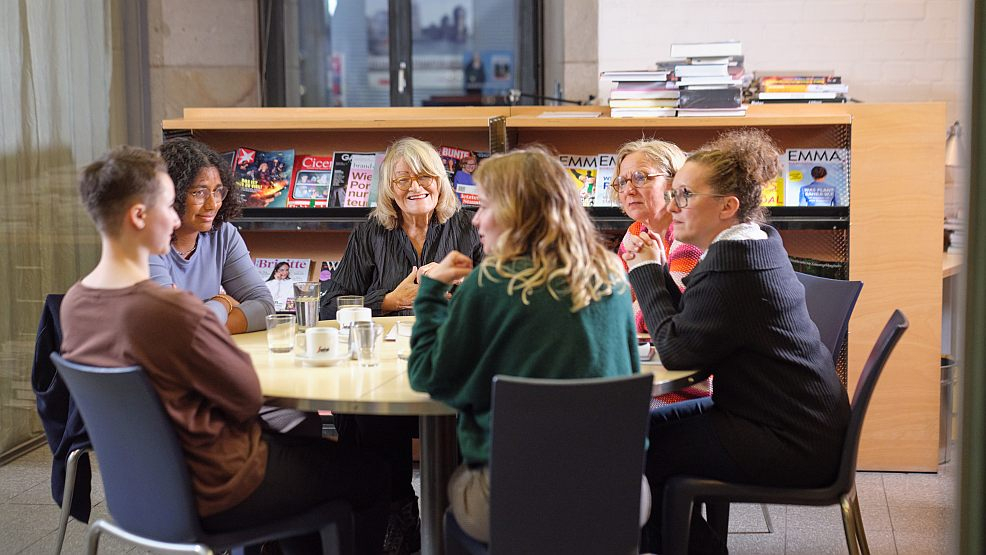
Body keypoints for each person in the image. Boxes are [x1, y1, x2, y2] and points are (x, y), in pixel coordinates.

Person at [59, 146, 389, 554]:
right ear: (139, 216)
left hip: (139, 494)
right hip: (222, 486)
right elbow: (247, 394)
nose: (177, 216)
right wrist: (220, 307)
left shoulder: (73, 304)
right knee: (377, 475)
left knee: (306, 457)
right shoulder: (171, 311)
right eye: (169, 203)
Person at [622, 129, 851, 553]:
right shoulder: (752, 245)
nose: (673, 206)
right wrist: (654, 271)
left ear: (728, 207)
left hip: (791, 440)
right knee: (636, 436)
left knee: (634, 454)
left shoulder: (735, 268)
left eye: (685, 195)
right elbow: (695, 325)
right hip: (791, 421)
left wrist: (645, 272)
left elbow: (676, 351)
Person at [407, 146, 641, 544]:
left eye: (485, 207)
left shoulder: (489, 284)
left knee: (451, 505)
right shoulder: (612, 277)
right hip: (616, 492)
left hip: (512, 495)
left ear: (519, 211)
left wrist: (430, 291)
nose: (476, 219)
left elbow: (429, 376)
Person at [321, 136, 484, 555]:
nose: (415, 186)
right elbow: (329, 306)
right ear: (388, 189)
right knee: (368, 415)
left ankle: (455, 514)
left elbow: (495, 295)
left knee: (467, 408)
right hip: (384, 363)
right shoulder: (371, 232)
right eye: (402, 179)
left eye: (425, 175)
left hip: (449, 360)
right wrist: (391, 300)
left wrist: (454, 294)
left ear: (441, 180)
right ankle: (400, 512)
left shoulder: (468, 228)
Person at [612, 139, 707, 405]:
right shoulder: (636, 232)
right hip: (646, 367)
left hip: (683, 386)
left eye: (640, 177)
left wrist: (634, 312)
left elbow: (670, 323)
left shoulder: (688, 238)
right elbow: (617, 305)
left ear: (675, 183)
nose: (628, 189)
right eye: (622, 182)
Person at [149, 137, 274, 334]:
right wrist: (222, 302)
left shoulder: (223, 234)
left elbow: (265, 307)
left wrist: (208, 325)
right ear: (171, 194)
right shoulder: (147, 243)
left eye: (217, 192)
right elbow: (173, 326)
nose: (212, 204)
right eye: (199, 193)